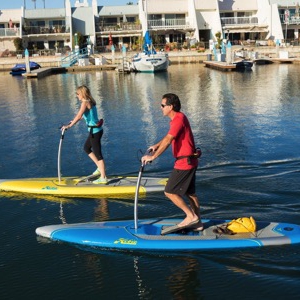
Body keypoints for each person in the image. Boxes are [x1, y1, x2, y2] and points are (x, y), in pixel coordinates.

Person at [142, 93, 203, 231]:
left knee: (169, 191)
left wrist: (153, 157)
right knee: (190, 194)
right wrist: (156, 145)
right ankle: (198, 223)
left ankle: (191, 217)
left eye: (163, 105)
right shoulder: (178, 119)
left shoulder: (178, 119)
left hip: (184, 163)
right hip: (190, 161)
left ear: (171, 106)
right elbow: (170, 136)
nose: (160, 108)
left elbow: (169, 140)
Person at [62, 85, 107, 184]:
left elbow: (79, 115)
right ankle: (100, 168)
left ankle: (103, 177)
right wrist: (72, 121)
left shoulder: (85, 103)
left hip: (95, 132)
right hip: (95, 131)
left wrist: (69, 126)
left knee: (98, 155)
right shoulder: (90, 101)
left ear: (82, 94)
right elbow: (86, 115)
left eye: (77, 94)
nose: (77, 96)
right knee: (86, 148)